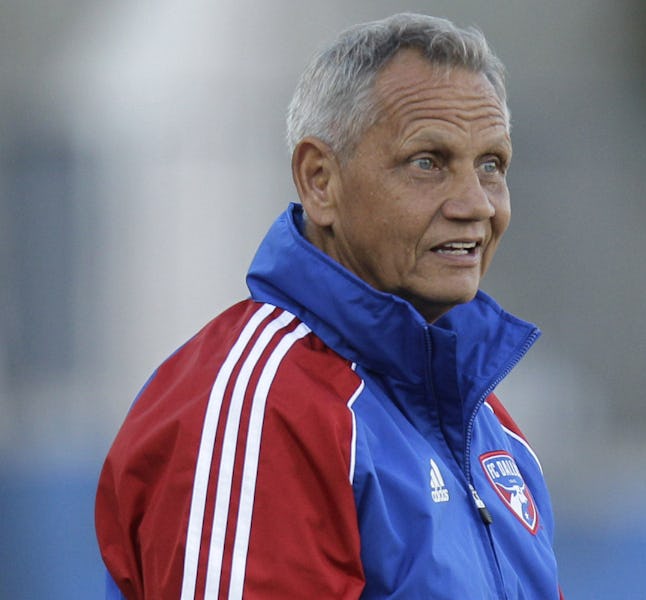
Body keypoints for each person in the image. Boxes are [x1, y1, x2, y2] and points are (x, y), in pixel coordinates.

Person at [95, 12, 563, 599]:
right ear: (320, 180)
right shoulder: (267, 406)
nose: (476, 205)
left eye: (491, 166)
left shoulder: (488, 428)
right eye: (428, 162)